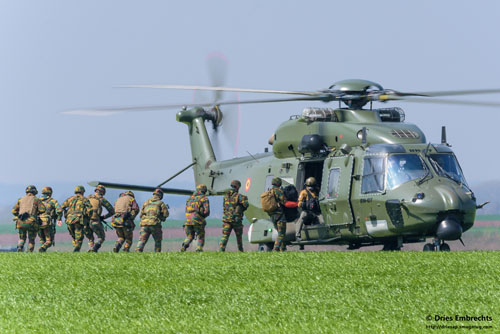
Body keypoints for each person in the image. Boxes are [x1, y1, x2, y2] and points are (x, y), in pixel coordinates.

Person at [57, 185, 93, 252]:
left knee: (74, 237)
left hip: (69, 220)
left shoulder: (70, 199)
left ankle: (75, 248)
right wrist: (88, 218)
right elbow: (90, 210)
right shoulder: (85, 199)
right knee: (79, 238)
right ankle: (76, 250)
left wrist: (59, 218)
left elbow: (59, 209)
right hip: (78, 220)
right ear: (82, 192)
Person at [12, 185, 46, 252]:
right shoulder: (36, 199)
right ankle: (30, 251)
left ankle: (20, 247)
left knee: (22, 238)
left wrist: (19, 215)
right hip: (31, 222)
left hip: (20, 222)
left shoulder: (20, 199)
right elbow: (43, 210)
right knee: (31, 239)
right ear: (35, 192)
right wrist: (36, 213)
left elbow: (13, 211)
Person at [219, 180, 249, 252]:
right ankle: (240, 250)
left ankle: (221, 250)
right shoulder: (239, 196)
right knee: (239, 237)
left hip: (226, 219)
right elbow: (246, 204)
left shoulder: (226, 197)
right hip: (236, 220)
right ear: (237, 187)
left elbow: (224, 207)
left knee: (225, 236)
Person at [136, 188, 169, 252]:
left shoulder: (145, 203)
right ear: (160, 195)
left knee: (142, 239)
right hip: (154, 224)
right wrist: (161, 217)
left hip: (144, 224)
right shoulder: (161, 203)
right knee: (157, 240)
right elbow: (166, 214)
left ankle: (138, 250)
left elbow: (141, 215)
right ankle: (157, 253)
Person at [85, 185, 115, 252]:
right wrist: (103, 217)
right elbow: (112, 211)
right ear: (103, 192)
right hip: (95, 221)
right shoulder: (101, 199)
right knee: (101, 237)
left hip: (85, 221)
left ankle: (90, 249)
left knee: (90, 238)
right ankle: (94, 249)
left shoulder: (87, 198)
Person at [181, 184, 210, 252]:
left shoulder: (189, 199)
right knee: (200, 236)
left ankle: (184, 245)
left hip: (187, 221)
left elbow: (186, 210)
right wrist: (202, 216)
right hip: (197, 220)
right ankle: (199, 249)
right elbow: (207, 211)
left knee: (190, 236)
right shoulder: (204, 199)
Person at [295, 177, 325, 241]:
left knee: (322, 221)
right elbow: (299, 203)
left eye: (311, 186)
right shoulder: (303, 192)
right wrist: (305, 204)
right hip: (307, 211)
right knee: (301, 219)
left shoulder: (317, 191)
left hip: (316, 212)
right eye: (308, 186)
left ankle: (322, 236)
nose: (310, 187)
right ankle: (297, 235)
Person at [38, 186, 59, 252]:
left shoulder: (37, 201)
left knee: (42, 239)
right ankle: (43, 248)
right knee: (49, 241)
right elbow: (59, 210)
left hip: (38, 222)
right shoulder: (53, 201)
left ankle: (42, 253)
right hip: (48, 223)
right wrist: (59, 218)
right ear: (50, 193)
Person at [268, 177, 286, 252]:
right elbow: (283, 201)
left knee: (279, 233)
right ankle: (275, 249)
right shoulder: (278, 191)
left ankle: (282, 249)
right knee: (281, 234)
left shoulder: (269, 191)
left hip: (272, 215)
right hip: (279, 215)